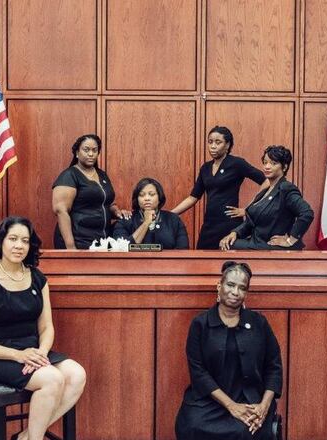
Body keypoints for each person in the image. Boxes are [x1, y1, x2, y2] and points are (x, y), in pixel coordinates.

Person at [0, 216, 87, 440]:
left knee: (77, 374)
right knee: (52, 379)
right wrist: (18, 355)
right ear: (1, 241)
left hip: (32, 352)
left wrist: (41, 353)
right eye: (13, 239)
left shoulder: (38, 278)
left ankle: (26, 436)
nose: (19, 245)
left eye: (24, 240)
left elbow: (46, 327)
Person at [175, 261, 282, 440]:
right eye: (230, 285)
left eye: (242, 288)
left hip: (250, 401)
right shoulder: (200, 324)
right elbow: (198, 373)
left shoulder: (259, 323)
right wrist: (232, 406)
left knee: (246, 431)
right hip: (209, 403)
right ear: (219, 286)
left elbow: (274, 367)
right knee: (191, 425)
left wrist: (263, 407)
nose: (235, 292)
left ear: (246, 293)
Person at [171, 126, 266, 249]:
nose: (213, 146)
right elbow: (193, 197)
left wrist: (248, 210)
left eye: (218, 142)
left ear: (227, 145)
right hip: (209, 225)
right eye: (210, 142)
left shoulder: (237, 163)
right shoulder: (205, 168)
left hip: (230, 224)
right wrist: (170, 214)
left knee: (229, 265)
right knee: (203, 263)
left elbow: (266, 182)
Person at [219, 145, 314, 250]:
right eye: (265, 162)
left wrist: (290, 240)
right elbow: (251, 221)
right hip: (256, 242)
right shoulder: (265, 191)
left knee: (229, 248)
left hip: (270, 245)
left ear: (285, 167)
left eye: (273, 163)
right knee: (226, 243)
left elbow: (307, 213)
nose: (267, 167)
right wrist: (235, 233)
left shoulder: (286, 188)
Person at [52, 134, 130, 249]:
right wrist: (70, 247)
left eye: (94, 150)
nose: (91, 154)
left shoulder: (102, 174)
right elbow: (61, 211)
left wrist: (117, 212)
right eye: (86, 150)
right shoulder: (69, 175)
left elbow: (106, 203)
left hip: (101, 242)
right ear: (77, 153)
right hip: (78, 242)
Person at [112, 177, 189, 249]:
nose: (147, 198)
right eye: (142, 195)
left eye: (152, 194)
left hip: (167, 263)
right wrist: (146, 222)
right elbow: (122, 248)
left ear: (159, 198)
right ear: (137, 199)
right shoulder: (126, 220)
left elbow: (183, 250)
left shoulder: (174, 219)